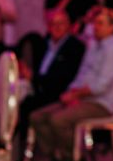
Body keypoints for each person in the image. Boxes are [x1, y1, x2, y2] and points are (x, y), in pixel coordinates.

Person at [29, 7, 113, 161]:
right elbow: (82, 74)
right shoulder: (94, 46)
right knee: (37, 117)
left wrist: (75, 95)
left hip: (101, 103)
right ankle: (56, 155)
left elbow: (100, 87)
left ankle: (67, 158)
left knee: (58, 120)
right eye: (95, 23)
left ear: (112, 27)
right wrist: (71, 92)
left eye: (101, 23)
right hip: (83, 98)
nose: (96, 27)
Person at [17, 10, 85, 146]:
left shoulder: (74, 47)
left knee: (25, 107)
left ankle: (24, 147)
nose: (57, 27)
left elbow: (63, 78)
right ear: (48, 26)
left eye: (61, 23)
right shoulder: (44, 45)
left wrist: (34, 78)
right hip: (40, 89)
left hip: (59, 93)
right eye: (53, 24)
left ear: (69, 26)